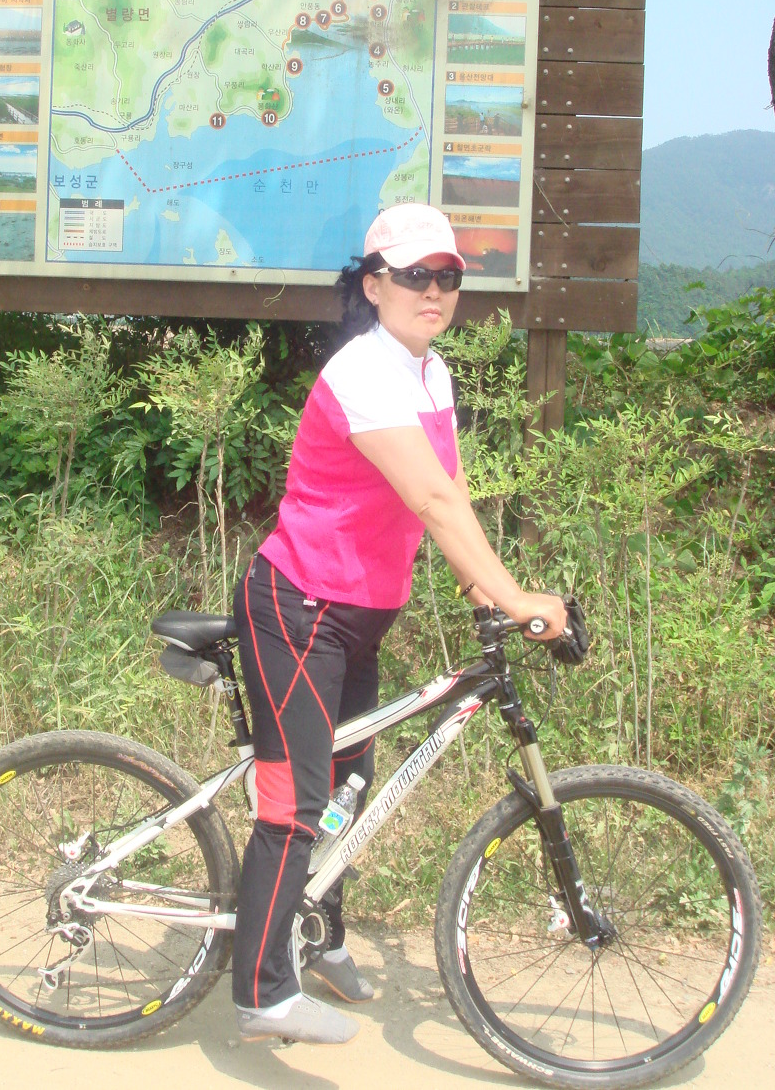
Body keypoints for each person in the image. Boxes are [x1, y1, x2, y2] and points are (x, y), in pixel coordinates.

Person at [232, 203, 568, 1045]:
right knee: (296, 802)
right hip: (300, 607)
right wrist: (517, 595)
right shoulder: (363, 371)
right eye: (415, 275)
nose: (434, 290)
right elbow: (431, 497)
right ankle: (262, 989)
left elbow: (447, 499)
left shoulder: (431, 373)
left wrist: (481, 589)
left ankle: (321, 935)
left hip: (360, 619)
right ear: (374, 284)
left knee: (345, 794)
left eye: (448, 276)